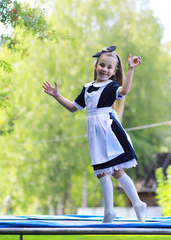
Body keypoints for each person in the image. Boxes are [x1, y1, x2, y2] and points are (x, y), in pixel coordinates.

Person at [42, 45, 147, 223]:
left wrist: (130, 70)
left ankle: (126, 207)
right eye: (102, 65)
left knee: (113, 170)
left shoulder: (111, 86)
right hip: (95, 133)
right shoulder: (87, 87)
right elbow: (74, 108)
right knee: (106, 172)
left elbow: (125, 91)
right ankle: (119, 209)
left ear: (114, 71)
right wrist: (57, 96)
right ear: (95, 65)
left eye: (109, 67)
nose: (104, 70)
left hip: (108, 130)